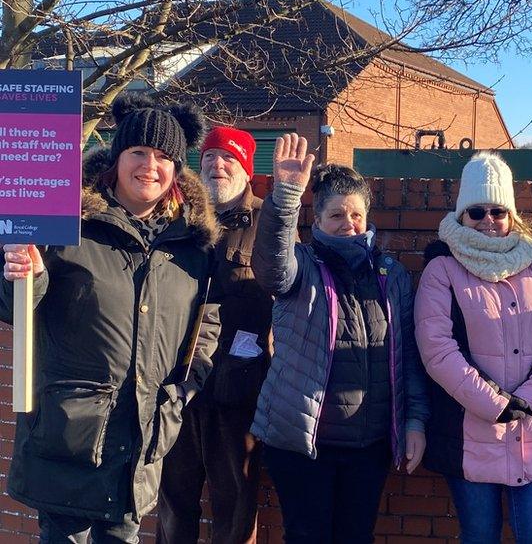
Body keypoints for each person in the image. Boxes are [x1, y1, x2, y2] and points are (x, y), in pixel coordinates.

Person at [0, 93, 219, 542]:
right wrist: (28, 276)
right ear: (116, 158)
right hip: (68, 442)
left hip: (140, 442)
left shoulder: (193, 248)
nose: (150, 165)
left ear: (177, 170)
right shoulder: (65, 226)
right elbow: (13, 309)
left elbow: (205, 326)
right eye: (138, 151)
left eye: (163, 157)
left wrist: (180, 394)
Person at [248, 133, 429, 543]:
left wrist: (414, 422)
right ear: (318, 221)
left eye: (357, 216)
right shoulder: (303, 268)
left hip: (369, 448)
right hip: (304, 446)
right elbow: (271, 265)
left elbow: (410, 361)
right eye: (336, 216)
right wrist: (286, 196)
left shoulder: (391, 276)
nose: (349, 224)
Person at [415, 152, 532, 544]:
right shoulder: (441, 268)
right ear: (461, 215)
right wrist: (495, 403)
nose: (488, 221)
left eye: (498, 210)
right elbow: (436, 347)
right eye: (476, 212)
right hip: (471, 433)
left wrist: (530, 397)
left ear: (512, 215)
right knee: (479, 536)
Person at [158, 126, 273, 544]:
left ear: (246, 168)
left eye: (228, 158)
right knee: (172, 502)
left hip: (237, 391)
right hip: (177, 387)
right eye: (209, 158)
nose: (217, 166)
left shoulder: (268, 220)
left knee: (236, 506)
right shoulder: (179, 221)